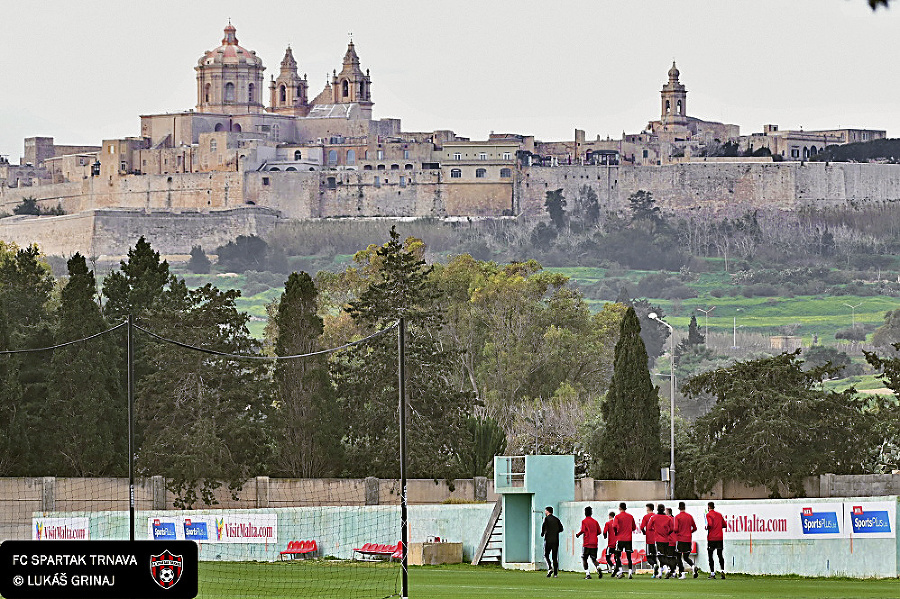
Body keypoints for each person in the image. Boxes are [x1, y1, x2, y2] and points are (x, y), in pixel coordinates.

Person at [576, 505, 603, 579]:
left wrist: (578, 534)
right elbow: (599, 531)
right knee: (594, 558)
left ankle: (588, 574)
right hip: (594, 543)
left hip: (587, 543)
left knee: (584, 558)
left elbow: (583, 530)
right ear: (591, 513)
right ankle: (598, 567)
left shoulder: (584, 521)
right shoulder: (595, 521)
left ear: (585, 513)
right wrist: (594, 535)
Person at [674, 501, 698, 579]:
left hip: (680, 539)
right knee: (686, 557)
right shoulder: (689, 516)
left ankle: (682, 573)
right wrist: (688, 532)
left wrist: (677, 532)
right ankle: (693, 566)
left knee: (678, 556)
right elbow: (695, 528)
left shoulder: (677, 517)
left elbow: (675, 529)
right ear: (684, 508)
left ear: (679, 508)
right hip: (688, 539)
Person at [649, 504, 674, 578]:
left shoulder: (653, 517)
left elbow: (649, 527)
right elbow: (672, 528)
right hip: (666, 539)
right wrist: (667, 533)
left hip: (658, 539)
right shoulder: (668, 518)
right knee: (664, 555)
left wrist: (655, 530)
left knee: (660, 556)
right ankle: (660, 573)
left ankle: (668, 569)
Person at [613, 502, 637, 579]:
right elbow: (634, 527)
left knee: (617, 555)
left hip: (620, 539)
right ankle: (630, 572)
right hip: (628, 539)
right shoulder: (630, 516)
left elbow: (614, 526)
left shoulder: (617, 517)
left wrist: (616, 532)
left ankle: (620, 571)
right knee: (629, 556)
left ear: (619, 508)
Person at [705, 501, 726, 579]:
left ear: (708, 507)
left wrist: (707, 527)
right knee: (720, 555)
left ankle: (712, 573)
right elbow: (725, 525)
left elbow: (710, 524)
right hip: (720, 537)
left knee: (710, 555)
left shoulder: (708, 514)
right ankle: (722, 571)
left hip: (712, 538)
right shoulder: (719, 515)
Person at [541, 506, 563, 578]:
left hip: (548, 539)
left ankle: (550, 567)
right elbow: (561, 529)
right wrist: (555, 532)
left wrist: (543, 533)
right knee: (554, 556)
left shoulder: (546, 519)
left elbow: (543, 527)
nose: (545, 512)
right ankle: (556, 573)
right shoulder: (556, 519)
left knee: (546, 554)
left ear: (547, 511)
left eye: (545, 511)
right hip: (555, 540)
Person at [640, 502, 659, 578]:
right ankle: (655, 573)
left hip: (649, 539)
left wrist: (644, 532)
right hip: (657, 539)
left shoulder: (646, 517)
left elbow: (641, 527)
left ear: (648, 509)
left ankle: (654, 566)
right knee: (655, 556)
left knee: (648, 557)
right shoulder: (656, 516)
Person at [602, 511, 617, 575]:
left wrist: (605, 536)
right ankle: (614, 570)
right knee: (616, 557)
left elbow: (605, 531)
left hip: (611, 544)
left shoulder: (608, 523)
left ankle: (612, 566)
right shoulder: (617, 523)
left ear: (609, 516)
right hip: (617, 543)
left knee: (607, 557)